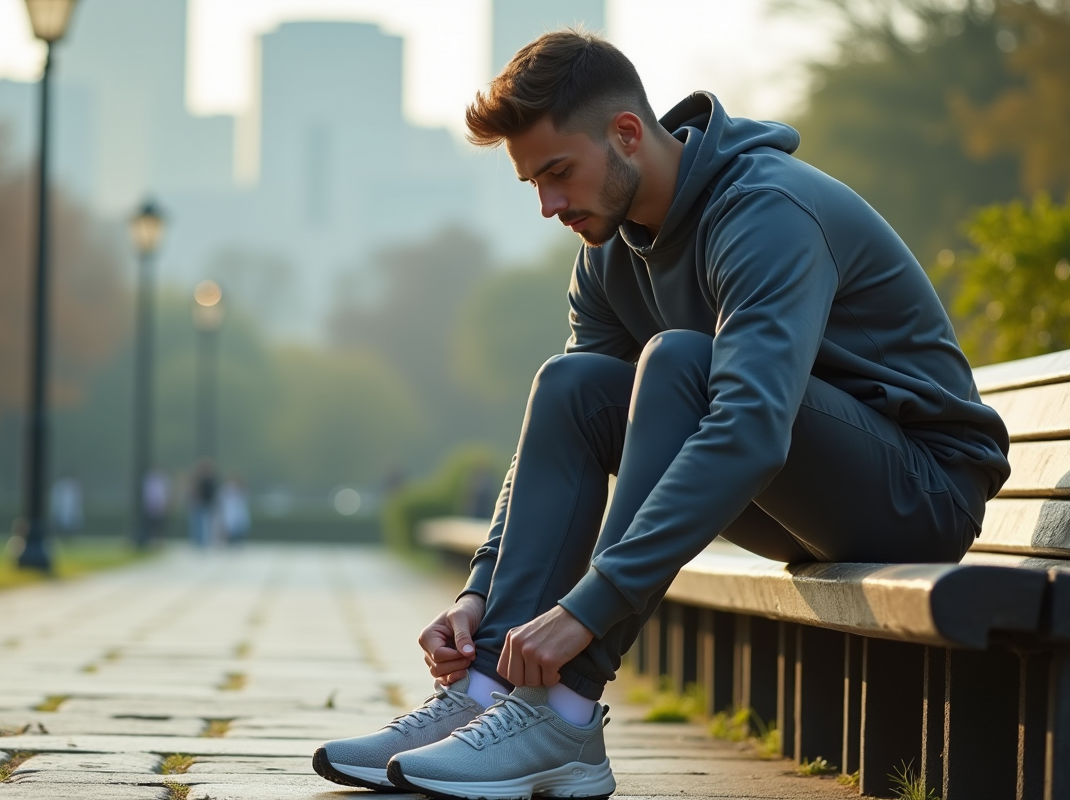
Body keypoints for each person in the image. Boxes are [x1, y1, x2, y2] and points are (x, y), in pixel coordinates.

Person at [312, 30, 1010, 800]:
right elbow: (562, 423)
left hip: (919, 493)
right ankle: (480, 693)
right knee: (573, 382)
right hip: (795, 490)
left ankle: (566, 709)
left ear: (626, 134)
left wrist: (587, 607)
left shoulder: (763, 212)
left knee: (682, 359)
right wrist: (481, 591)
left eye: (557, 173)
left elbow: (749, 431)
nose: (548, 205)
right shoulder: (609, 248)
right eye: (531, 184)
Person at [219, 476, 251, 545]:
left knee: (239, 531)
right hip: (230, 515)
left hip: (238, 515)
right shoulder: (226, 491)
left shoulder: (241, 492)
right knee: (230, 531)